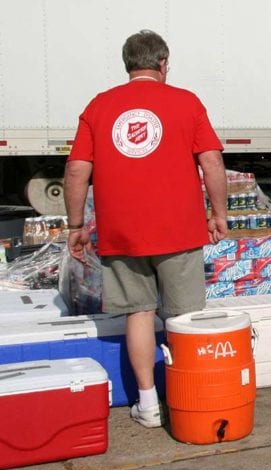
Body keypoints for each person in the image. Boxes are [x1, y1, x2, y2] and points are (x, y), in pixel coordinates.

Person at [63, 29, 228, 429]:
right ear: (163, 64)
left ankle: (149, 404)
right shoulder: (186, 102)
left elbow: (76, 170)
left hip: (122, 233)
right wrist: (219, 213)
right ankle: (191, 397)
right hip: (180, 230)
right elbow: (211, 162)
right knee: (185, 316)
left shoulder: (100, 106)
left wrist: (76, 225)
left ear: (128, 65)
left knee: (139, 313)